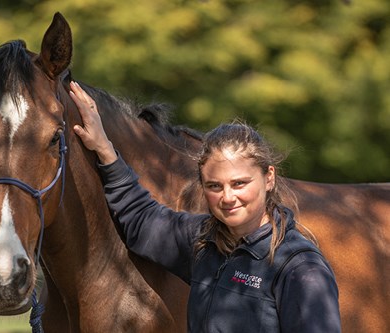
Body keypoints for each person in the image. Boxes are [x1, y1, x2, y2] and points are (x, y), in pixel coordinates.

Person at [69, 81, 341, 332]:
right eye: (214, 186)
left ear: (268, 178)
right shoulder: (202, 243)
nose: (227, 197)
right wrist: (104, 148)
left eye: (239, 184)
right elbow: (141, 218)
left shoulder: (302, 269)